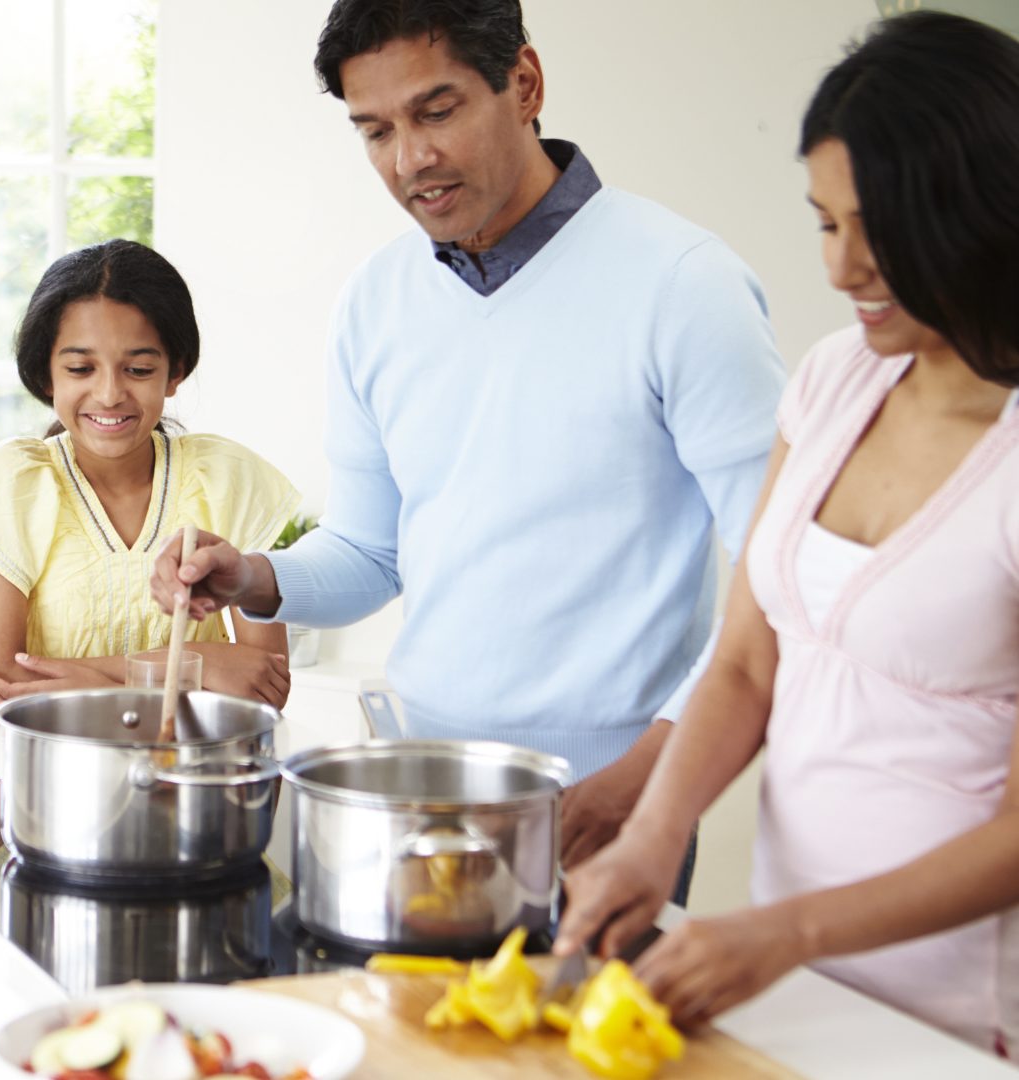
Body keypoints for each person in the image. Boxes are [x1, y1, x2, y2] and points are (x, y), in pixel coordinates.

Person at [151, 0, 785, 894]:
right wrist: (252, 576)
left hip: (611, 800)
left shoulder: (685, 286)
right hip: (418, 787)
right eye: (375, 130)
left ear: (523, 84)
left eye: (435, 111)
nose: (410, 160)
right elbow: (375, 551)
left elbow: (783, 579)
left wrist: (651, 780)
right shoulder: (375, 303)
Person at [554, 10, 1019, 1058]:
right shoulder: (832, 379)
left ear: (985, 208)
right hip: (792, 988)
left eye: (880, 228)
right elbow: (749, 661)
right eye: (824, 222)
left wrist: (785, 931)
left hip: (962, 1015)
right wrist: (654, 836)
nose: (844, 269)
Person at [0, 238, 301, 886]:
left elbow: (263, 687)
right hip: (32, 829)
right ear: (45, 375)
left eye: (138, 369)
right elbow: (4, 691)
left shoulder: (227, 481)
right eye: (80, 369)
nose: (109, 395)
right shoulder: (11, 485)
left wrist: (80, 683)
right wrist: (188, 668)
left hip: (200, 827)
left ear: (176, 370)